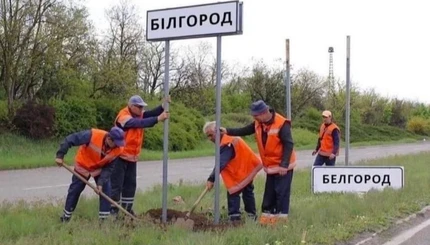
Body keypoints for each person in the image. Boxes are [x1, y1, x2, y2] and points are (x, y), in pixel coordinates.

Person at [220, 100, 297, 225]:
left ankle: (281, 222)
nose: (254, 118)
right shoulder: (258, 123)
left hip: (283, 166)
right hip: (270, 166)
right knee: (270, 194)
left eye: (255, 115)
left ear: (264, 113)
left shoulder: (282, 123)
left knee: (281, 193)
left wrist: (284, 165)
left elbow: (288, 144)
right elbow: (244, 130)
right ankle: (268, 220)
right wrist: (227, 131)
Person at [110, 95, 169, 217]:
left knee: (130, 186)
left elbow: (149, 114)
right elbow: (139, 123)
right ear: (132, 106)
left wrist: (163, 106)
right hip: (119, 157)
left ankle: (127, 211)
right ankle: (113, 212)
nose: (142, 110)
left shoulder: (137, 114)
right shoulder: (124, 117)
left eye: (142, 108)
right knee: (117, 186)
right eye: (139, 107)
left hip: (132, 157)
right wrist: (158, 119)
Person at [55, 126, 125, 223]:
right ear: (109, 139)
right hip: (83, 165)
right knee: (75, 190)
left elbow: (109, 169)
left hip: (99, 168)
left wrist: (100, 184)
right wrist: (60, 155)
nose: (118, 146)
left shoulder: (118, 149)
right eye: (116, 144)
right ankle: (66, 217)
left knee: (105, 191)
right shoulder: (92, 135)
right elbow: (71, 139)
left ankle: (103, 222)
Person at [203, 121, 262, 222]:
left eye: (210, 135)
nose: (210, 139)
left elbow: (221, 163)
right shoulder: (227, 139)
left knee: (234, 192)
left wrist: (211, 179)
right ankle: (251, 216)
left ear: (218, 131)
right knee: (247, 191)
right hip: (245, 169)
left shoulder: (227, 143)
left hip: (243, 169)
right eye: (207, 136)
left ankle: (235, 218)